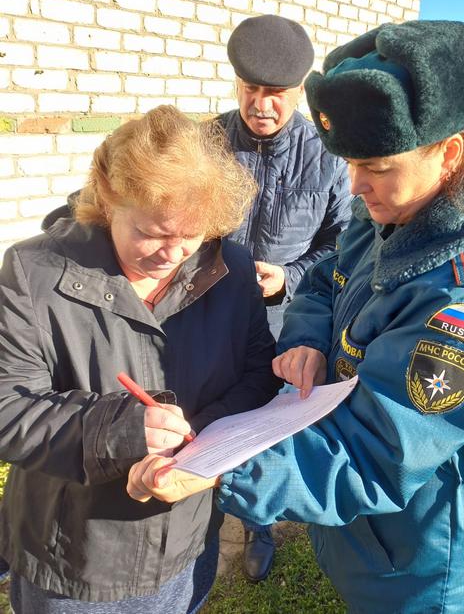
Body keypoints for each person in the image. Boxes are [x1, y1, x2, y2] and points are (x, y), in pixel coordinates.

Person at [127, 21, 464, 614]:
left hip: (419, 547)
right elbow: (331, 278)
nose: (355, 185)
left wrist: (221, 470)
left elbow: (379, 453)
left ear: (449, 155)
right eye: (350, 163)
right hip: (360, 523)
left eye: (375, 166)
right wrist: (305, 338)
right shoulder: (399, 210)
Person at [0, 106, 281, 613]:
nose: (171, 254)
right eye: (151, 232)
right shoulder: (33, 271)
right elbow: (9, 409)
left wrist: (194, 445)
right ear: (108, 200)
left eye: (190, 235)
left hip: (187, 538)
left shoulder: (231, 267)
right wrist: (122, 432)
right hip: (75, 559)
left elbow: (258, 375)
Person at [218, 14, 352, 581]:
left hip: (280, 323)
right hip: (206, 314)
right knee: (202, 410)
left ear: (300, 92)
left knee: (261, 421)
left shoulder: (329, 154)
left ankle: (258, 522)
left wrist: (289, 276)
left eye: (276, 93)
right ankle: (195, 509)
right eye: (250, 88)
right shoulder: (204, 144)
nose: (261, 104)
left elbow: (344, 245)